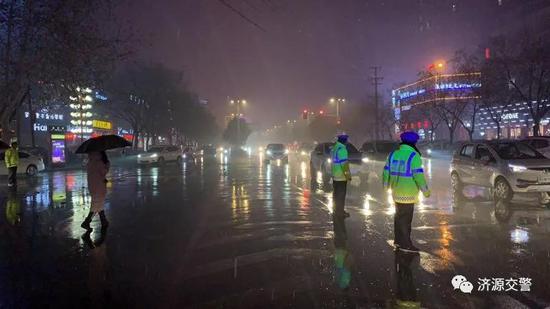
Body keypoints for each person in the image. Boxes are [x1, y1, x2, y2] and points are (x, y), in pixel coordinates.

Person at [383, 131, 430, 253]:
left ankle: (398, 241)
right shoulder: (414, 156)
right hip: (408, 194)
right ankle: (406, 244)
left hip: (396, 192)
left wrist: (385, 186)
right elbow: (418, 176)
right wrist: (426, 191)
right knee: (405, 219)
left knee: (398, 217)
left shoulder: (393, 154)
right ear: (413, 142)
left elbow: (386, 172)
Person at [81, 151, 110, 230]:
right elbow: (103, 172)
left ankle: (104, 221)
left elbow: (95, 174)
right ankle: (86, 222)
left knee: (98, 203)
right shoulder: (99, 163)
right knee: (96, 205)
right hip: (99, 187)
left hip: (92, 186)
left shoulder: (90, 162)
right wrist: (107, 166)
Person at [331, 134, 352, 218]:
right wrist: (348, 176)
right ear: (344, 141)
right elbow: (344, 165)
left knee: (336, 195)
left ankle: (336, 210)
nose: (347, 142)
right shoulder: (342, 150)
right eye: (346, 140)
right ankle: (340, 212)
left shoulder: (335, 148)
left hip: (335, 176)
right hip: (341, 176)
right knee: (341, 195)